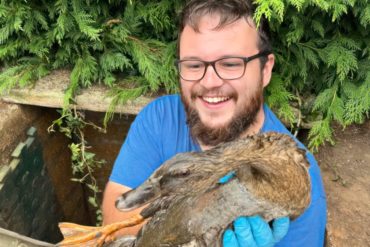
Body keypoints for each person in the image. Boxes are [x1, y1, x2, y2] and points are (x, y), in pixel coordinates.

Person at [102, 0, 327, 246]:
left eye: (230, 64)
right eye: (194, 65)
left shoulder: (296, 180)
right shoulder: (160, 117)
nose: (209, 82)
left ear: (265, 70)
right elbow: (114, 221)